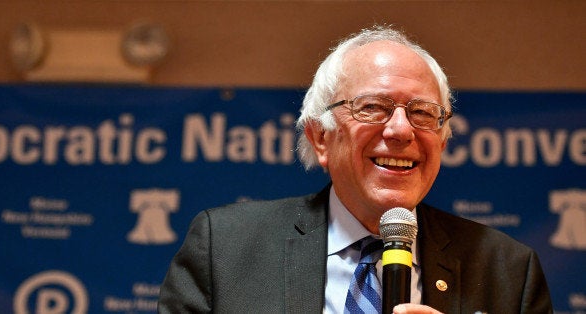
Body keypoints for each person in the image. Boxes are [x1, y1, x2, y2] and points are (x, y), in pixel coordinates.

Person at [158, 25, 553, 313]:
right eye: (373, 108)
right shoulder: (225, 249)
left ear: (443, 141)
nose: (401, 129)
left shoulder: (509, 272)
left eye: (422, 113)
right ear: (320, 138)